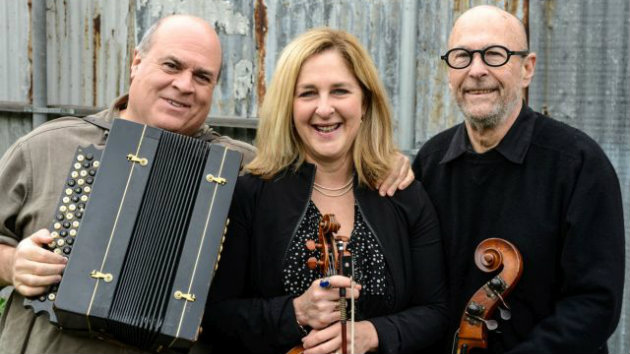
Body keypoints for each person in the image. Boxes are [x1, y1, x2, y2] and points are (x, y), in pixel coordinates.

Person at [0, 15, 414, 354]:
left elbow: (328, 156)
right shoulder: (48, 147)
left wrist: (384, 160)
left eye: (203, 76)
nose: (185, 85)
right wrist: (12, 263)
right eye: (171, 65)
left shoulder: (246, 169)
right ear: (136, 61)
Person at [204, 27, 448, 354]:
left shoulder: (402, 193)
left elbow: (437, 310)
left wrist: (373, 334)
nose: (324, 108)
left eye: (340, 91)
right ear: (288, 108)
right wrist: (295, 313)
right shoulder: (251, 193)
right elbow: (216, 315)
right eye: (307, 93)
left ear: (364, 103)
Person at [412, 5, 625, 354]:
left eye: (494, 55)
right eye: (461, 56)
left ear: (527, 69)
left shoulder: (579, 164)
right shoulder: (430, 163)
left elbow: (594, 305)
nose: (476, 70)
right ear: (448, 72)